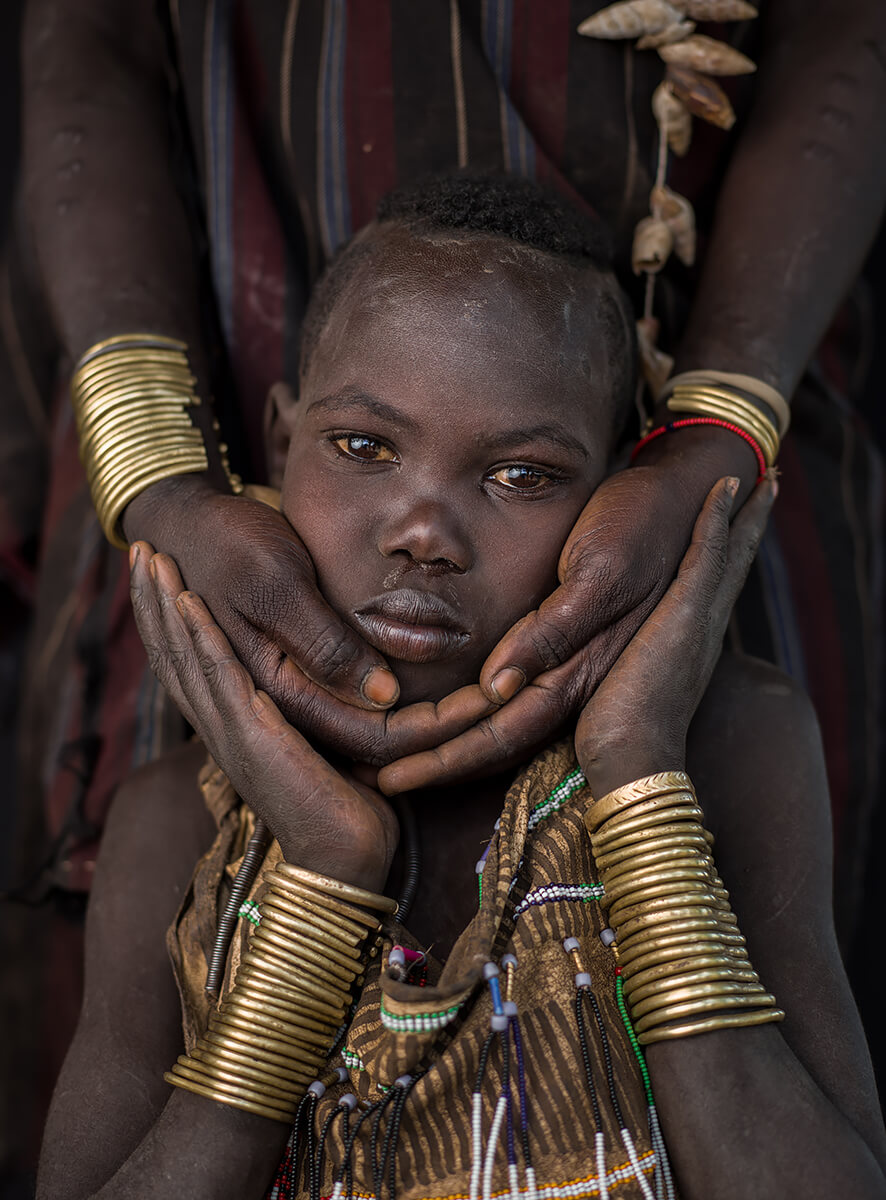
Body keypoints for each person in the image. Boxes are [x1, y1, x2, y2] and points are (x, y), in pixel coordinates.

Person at [37, 177, 886, 1200]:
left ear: (616, 490)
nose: (423, 533)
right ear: (278, 438)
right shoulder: (180, 815)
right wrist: (324, 867)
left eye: (520, 475)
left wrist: (635, 766)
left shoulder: (725, 741)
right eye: (362, 448)